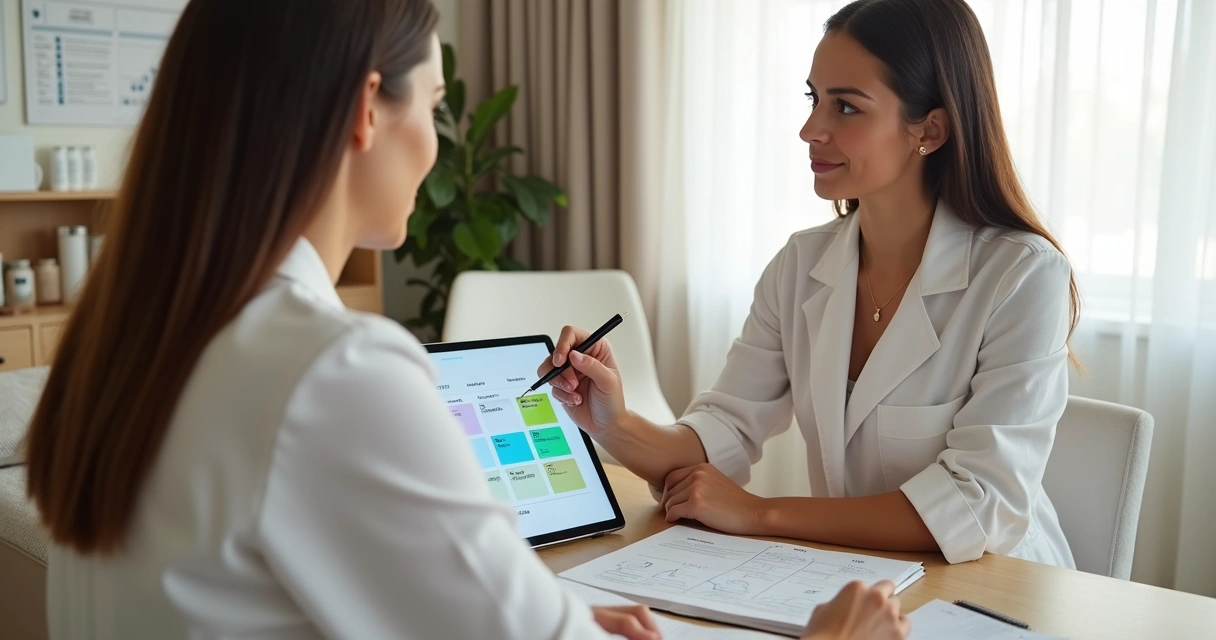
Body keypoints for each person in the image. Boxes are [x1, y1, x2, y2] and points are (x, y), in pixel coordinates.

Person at [21, 0, 910, 638]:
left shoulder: (126, 350)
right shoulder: (331, 369)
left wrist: (540, 616)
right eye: (437, 107)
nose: (439, 141)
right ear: (367, 110)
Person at [542, 0, 1078, 569]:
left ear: (930, 129)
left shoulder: (1022, 275)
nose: (810, 129)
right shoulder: (800, 264)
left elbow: (979, 504)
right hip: (854, 572)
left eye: (846, 106)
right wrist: (614, 422)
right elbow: (724, 430)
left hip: (994, 587)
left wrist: (759, 513)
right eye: (813, 98)